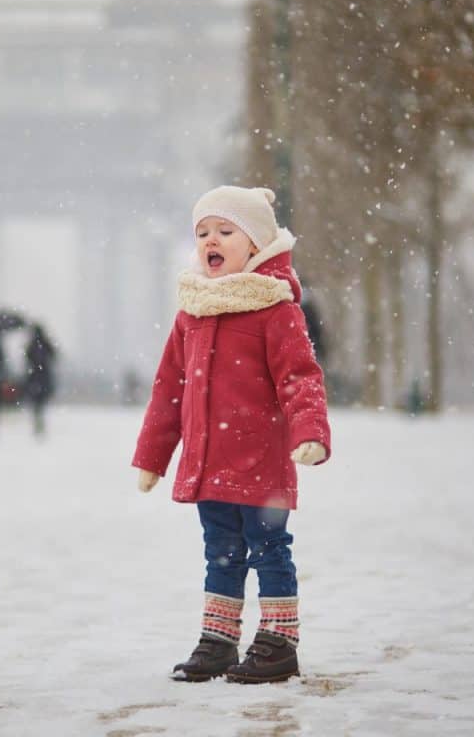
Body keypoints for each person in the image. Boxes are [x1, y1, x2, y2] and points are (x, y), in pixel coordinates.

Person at [132, 185, 331, 684]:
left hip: (260, 461)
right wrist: (153, 456)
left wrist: (310, 432)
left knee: (269, 549)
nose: (210, 241)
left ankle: (279, 640)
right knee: (219, 552)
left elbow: (299, 376)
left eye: (225, 231)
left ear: (256, 243)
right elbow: (169, 390)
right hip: (208, 460)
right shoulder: (192, 313)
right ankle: (219, 639)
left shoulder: (275, 308)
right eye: (202, 233)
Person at [23, 323, 57, 436]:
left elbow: (27, 358)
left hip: (34, 377)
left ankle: (38, 421)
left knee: (36, 402)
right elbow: (54, 356)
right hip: (43, 377)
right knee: (40, 401)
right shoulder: (46, 343)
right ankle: (39, 421)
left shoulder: (32, 345)